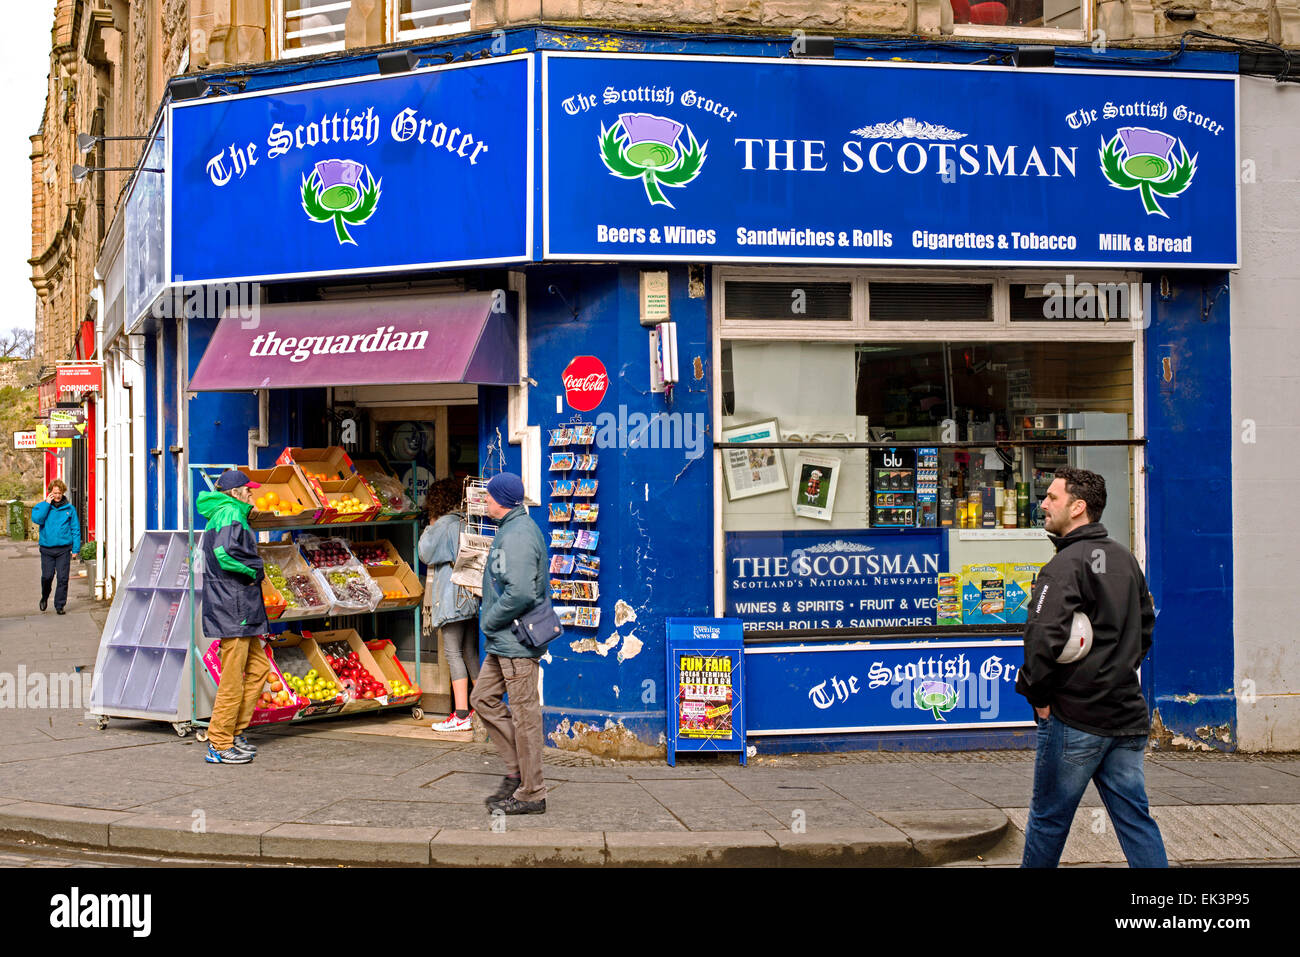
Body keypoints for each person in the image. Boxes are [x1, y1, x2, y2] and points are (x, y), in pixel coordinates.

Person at [1016, 466, 1167, 868]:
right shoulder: (1125, 560)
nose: (1043, 504)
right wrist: (1117, 670)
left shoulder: (1064, 565)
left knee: (1049, 820)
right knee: (1136, 820)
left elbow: (1042, 636)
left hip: (1075, 718)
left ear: (1078, 507)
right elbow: (1145, 629)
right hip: (1125, 714)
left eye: (1052, 497)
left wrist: (1040, 697)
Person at [470, 472, 549, 815]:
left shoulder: (516, 535)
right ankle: (516, 771)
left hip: (514, 640)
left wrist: (490, 619)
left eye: (488, 496)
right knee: (482, 698)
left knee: (525, 717)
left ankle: (532, 793)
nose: (485, 501)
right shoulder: (512, 528)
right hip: (504, 642)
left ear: (501, 499)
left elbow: (520, 592)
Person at [196, 470, 271, 765]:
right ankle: (220, 741)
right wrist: (253, 570)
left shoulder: (227, 512)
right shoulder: (229, 513)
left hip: (236, 604)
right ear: (236, 492)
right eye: (248, 491)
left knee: (258, 669)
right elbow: (224, 553)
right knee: (232, 678)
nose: (252, 494)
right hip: (234, 605)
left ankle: (234, 732)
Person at [418, 478, 481, 733]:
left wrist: (429, 527)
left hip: (451, 596)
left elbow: (425, 553)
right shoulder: (466, 521)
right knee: (470, 652)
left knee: (453, 654)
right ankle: (486, 708)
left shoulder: (443, 525)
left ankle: (462, 713)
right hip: (470, 595)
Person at [32, 480, 81, 615]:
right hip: (47, 549)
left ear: (63, 493)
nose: (58, 496)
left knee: (63, 578)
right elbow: (37, 519)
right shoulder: (43, 506)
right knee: (47, 576)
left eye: (59, 493)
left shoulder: (70, 509)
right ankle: (45, 596)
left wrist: (76, 549)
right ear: (50, 493)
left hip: (64, 549)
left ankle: (60, 605)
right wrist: (47, 504)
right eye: (55, 493)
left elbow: (75, 528)